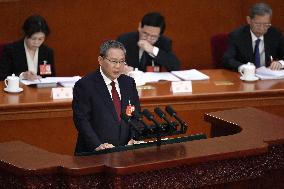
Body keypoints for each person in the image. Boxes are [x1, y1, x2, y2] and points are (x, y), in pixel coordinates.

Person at [72, 40, 141, 154]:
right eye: (113, 61)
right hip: (94, 153)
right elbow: (81, 120)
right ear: (100, 60)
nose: (118, 66)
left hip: (125, 152)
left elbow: (136, 115)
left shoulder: (128, 83)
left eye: (121, 62)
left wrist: (134, 138)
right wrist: (97, 145)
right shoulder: (85, 85)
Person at [222, 3, 284, 71]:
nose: (262, 29)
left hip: (268, 77)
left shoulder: (275, 34)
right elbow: (227, 60)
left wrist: (280, 63)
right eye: (258, 24)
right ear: (249, 20)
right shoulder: (237, 36)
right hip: (245, 77)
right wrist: (243, 67)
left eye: (266, 25)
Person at [0, 14, 55, 81]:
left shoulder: (47, 52)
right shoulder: (11, 50)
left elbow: (51, 77)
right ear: (26, 35)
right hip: (19, 89)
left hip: (41, 90)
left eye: (40, 39)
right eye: (33, 38)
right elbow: (2, 75)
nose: (36, 42)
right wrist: (22, 75)